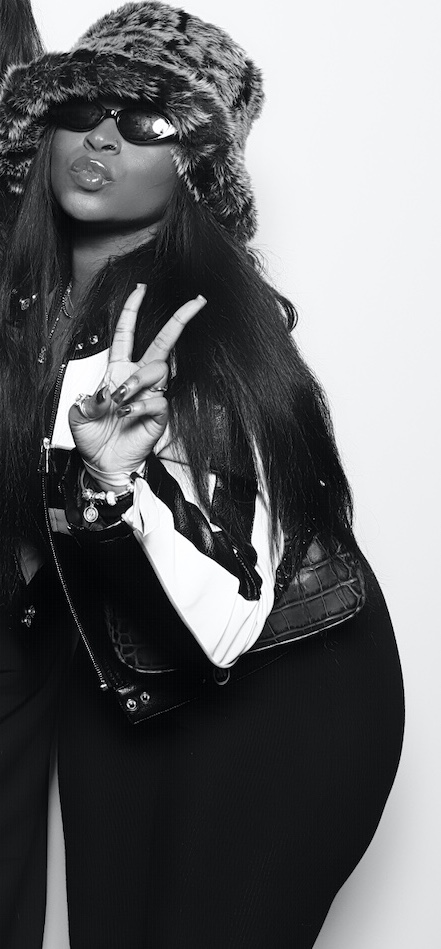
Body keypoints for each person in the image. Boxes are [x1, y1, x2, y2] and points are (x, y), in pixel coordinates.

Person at [0, 2, 404, 947]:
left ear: (195, 167)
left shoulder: (207, 328)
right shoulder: (38, 305)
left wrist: (112, 489)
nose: (104, 135)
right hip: (120, 687)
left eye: (149, 120)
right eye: (83, 107)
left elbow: (228, 618)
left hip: (274, 699)